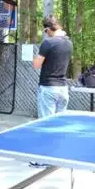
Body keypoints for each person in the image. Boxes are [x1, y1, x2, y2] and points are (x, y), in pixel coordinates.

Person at [31, 15, 72, 167]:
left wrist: (38, 55)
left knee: (45, 126)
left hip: (49, 88)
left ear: (48, 29)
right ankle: (59, 156)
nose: (45, 33)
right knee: (59, 126)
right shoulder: (69, 43)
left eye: (45, 30)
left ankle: (43, 159)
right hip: (63, 89)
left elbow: (36, 64)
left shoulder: (47, 43)